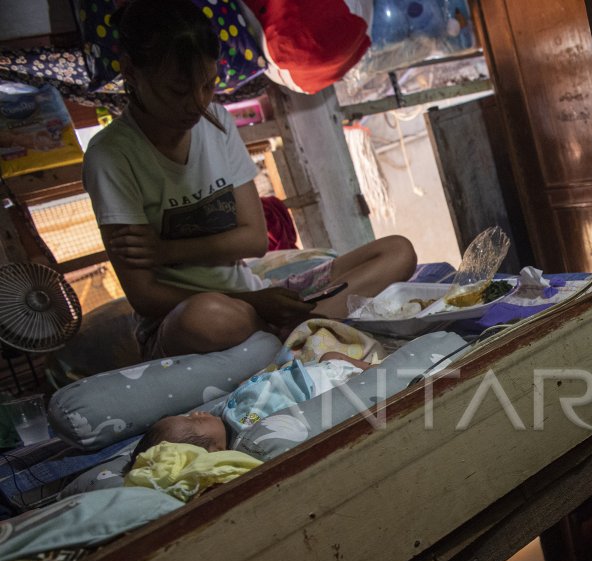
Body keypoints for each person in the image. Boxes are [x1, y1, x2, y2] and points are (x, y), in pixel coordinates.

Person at [83, 0, 416, 359]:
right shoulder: (111, 156)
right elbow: (145, 296)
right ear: (131, 72)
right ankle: (309, 327)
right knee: (207, 316)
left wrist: (166, 250)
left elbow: (254, 239)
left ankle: (305, 328)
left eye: (208, 86)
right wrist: (254, 302)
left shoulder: (217, 121)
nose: (196, 105)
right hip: (187, 317)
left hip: (257, 297)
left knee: (397, 251)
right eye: (179, 91)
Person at [131, 351, 374, 458]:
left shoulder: (225, 419)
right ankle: (376, 370)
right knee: (340, 363)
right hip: (326, 384)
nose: (196, 413)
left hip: (308, 374)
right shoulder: (246, 430)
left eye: (186, 415)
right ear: (215, 450)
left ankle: (368, 368)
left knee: (330, 356)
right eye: (193, 422)